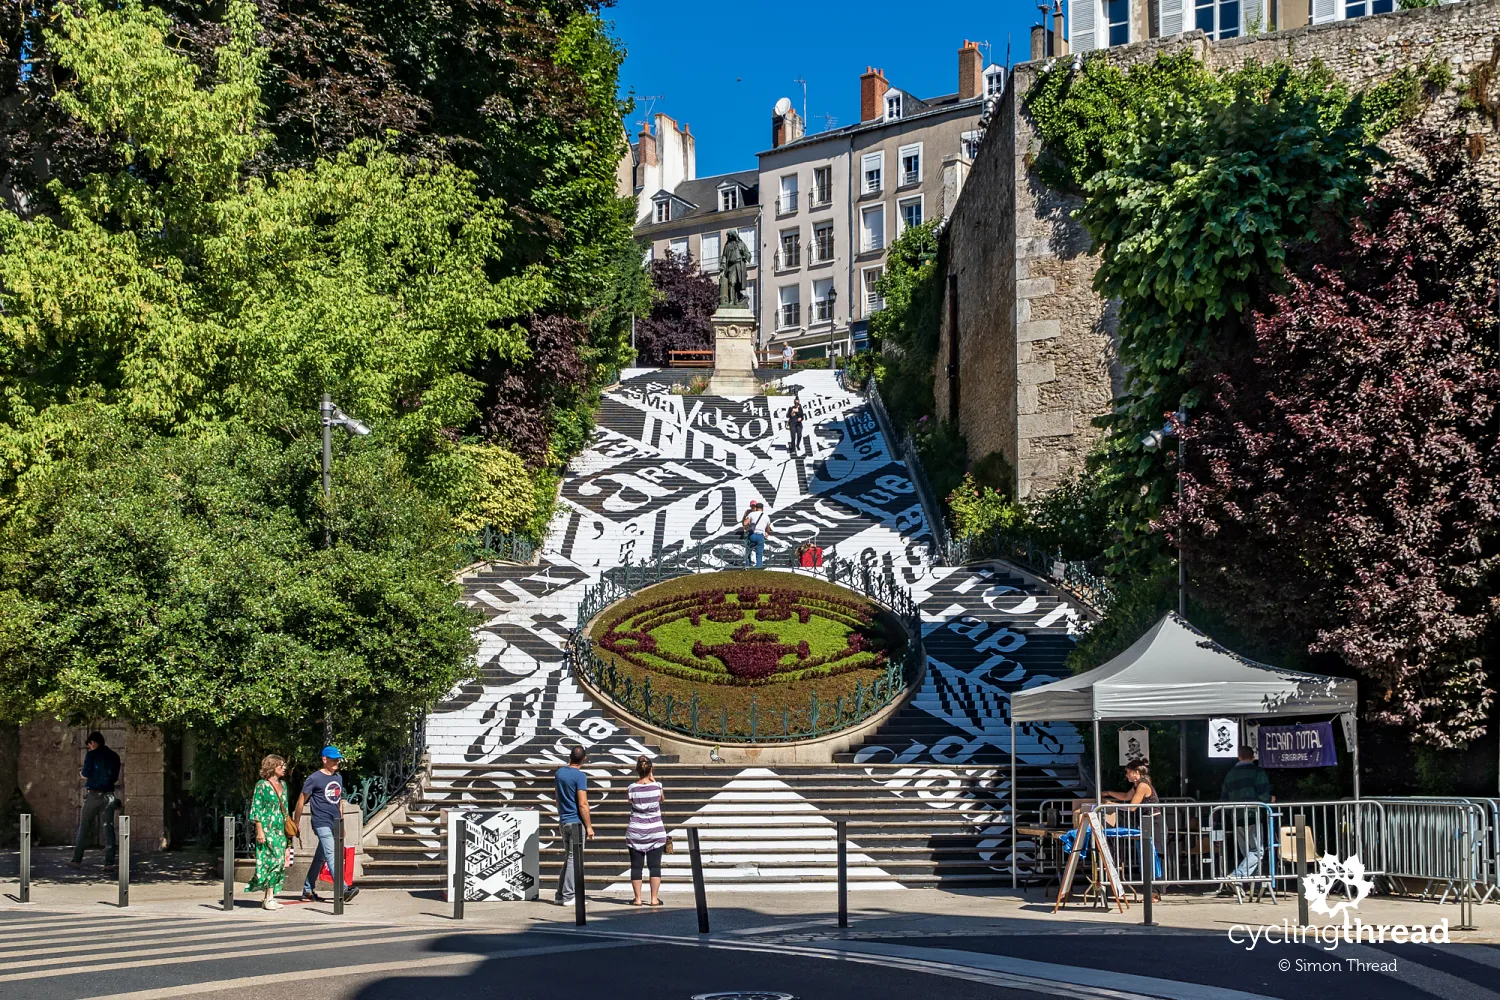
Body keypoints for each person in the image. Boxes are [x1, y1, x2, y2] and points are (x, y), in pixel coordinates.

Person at [297, 746, 359, 903]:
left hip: (334, 823)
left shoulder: (338, 777)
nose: (337, 761)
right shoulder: (314, 778)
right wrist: (296, 822)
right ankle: (343, 889)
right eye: (333, 759)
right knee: (332, 854)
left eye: (338, 759)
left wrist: (341, 822)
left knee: (321, 857)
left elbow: (339, 802)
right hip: (321, 822)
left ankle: (307, 889)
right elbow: (301, 800)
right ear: (324, 759)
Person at [1219, 745, 1274, 895]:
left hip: (1236, 816)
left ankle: (1251, 887)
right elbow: (1263, 794)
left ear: (1239, 756)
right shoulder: (1257, 772)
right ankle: (1238, 876)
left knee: (1248, 853)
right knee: (1257, 852)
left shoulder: (1230, 774)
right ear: (1253, 756)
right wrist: (1270, 799)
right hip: (1253, 814)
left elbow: (1224, 797)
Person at [248, 754, 295, 909]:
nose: (284, 768)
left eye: (284, 765)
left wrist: (289, 830)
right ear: (271, 767)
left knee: (280, 863)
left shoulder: (284, 786)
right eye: (280, 765)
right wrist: (259, 831)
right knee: (273, 861)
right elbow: (257, 809)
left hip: (280, 830)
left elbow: (286, 809)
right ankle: (268, 897)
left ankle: (270, 896)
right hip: (267, 829)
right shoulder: (262, 785)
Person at [69, 731, 122, 868]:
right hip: (109, 795)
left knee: (84, 826)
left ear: (93, 742)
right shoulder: (114, 756)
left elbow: (86, 773)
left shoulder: (91, 755)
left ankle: (76, 860)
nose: (89, 748)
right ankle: (109, 863)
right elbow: (115, 777)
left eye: (89, 745)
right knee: (108, 828)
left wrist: (82, 773)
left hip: (93, 794)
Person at [554, 746, 595, 906]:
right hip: (576, 822)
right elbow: (583, 803)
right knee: (574, 859)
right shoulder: (580, 776)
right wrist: (589, 827)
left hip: (564, 820)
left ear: (570, 757)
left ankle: (560, 895)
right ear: (584, 759)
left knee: (568, 858)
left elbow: (557, 797)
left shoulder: (559, 773)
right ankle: (570, 895)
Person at [626, 756, 667, 906]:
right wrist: (652, 778)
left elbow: (630, 800)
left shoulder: (631, 788)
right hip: (655, 831)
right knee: (654, 865)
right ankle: (654, 899)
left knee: (636, 866)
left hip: (635, 831)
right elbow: (661, 799)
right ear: (650, 770)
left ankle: (637, 899)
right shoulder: (657, 786)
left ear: (637, 770)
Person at [746, 501, 771, 568]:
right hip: (760, 536)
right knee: (759, 552)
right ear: (762, 509)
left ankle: (747, 565)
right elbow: (768, 528)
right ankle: (759, 567)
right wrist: (767, 533)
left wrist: (748, 526)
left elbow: (745, 523)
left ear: (756, 508)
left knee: (748, 550)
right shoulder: (766, 516)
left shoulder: (751, 514)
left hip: (752, 535)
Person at [740, 500, 759, 567]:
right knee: (748, 548)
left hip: (757, 532)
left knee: (758, 548)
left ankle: (758, 563)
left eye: (754, 505)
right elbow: (743, 521)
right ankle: (749, 562)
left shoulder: (759, 512)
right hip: (749, 532)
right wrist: (745, 528)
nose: (753, 507)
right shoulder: (747, 512)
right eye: (752, 505)